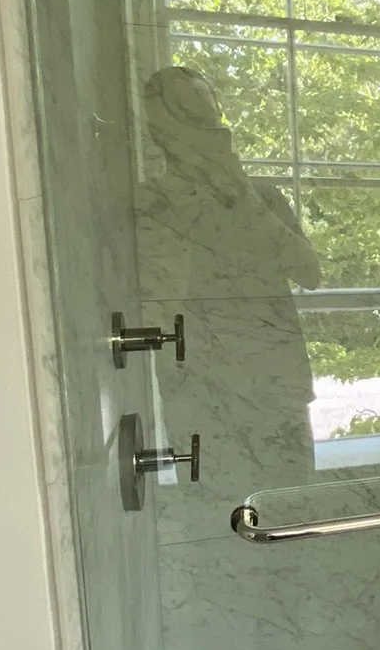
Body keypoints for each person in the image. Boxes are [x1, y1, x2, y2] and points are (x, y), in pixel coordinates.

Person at [138, 63, 322, 490]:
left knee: (293, 518)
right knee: (212, 522)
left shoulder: (261, 197)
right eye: (191, 120)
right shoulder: (150, 205)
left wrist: (243, 195)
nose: (210, 132)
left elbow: (308, 272)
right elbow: (154, 307)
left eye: (210, 118)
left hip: (278, 387)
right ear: (161, 132)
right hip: (201, 395)